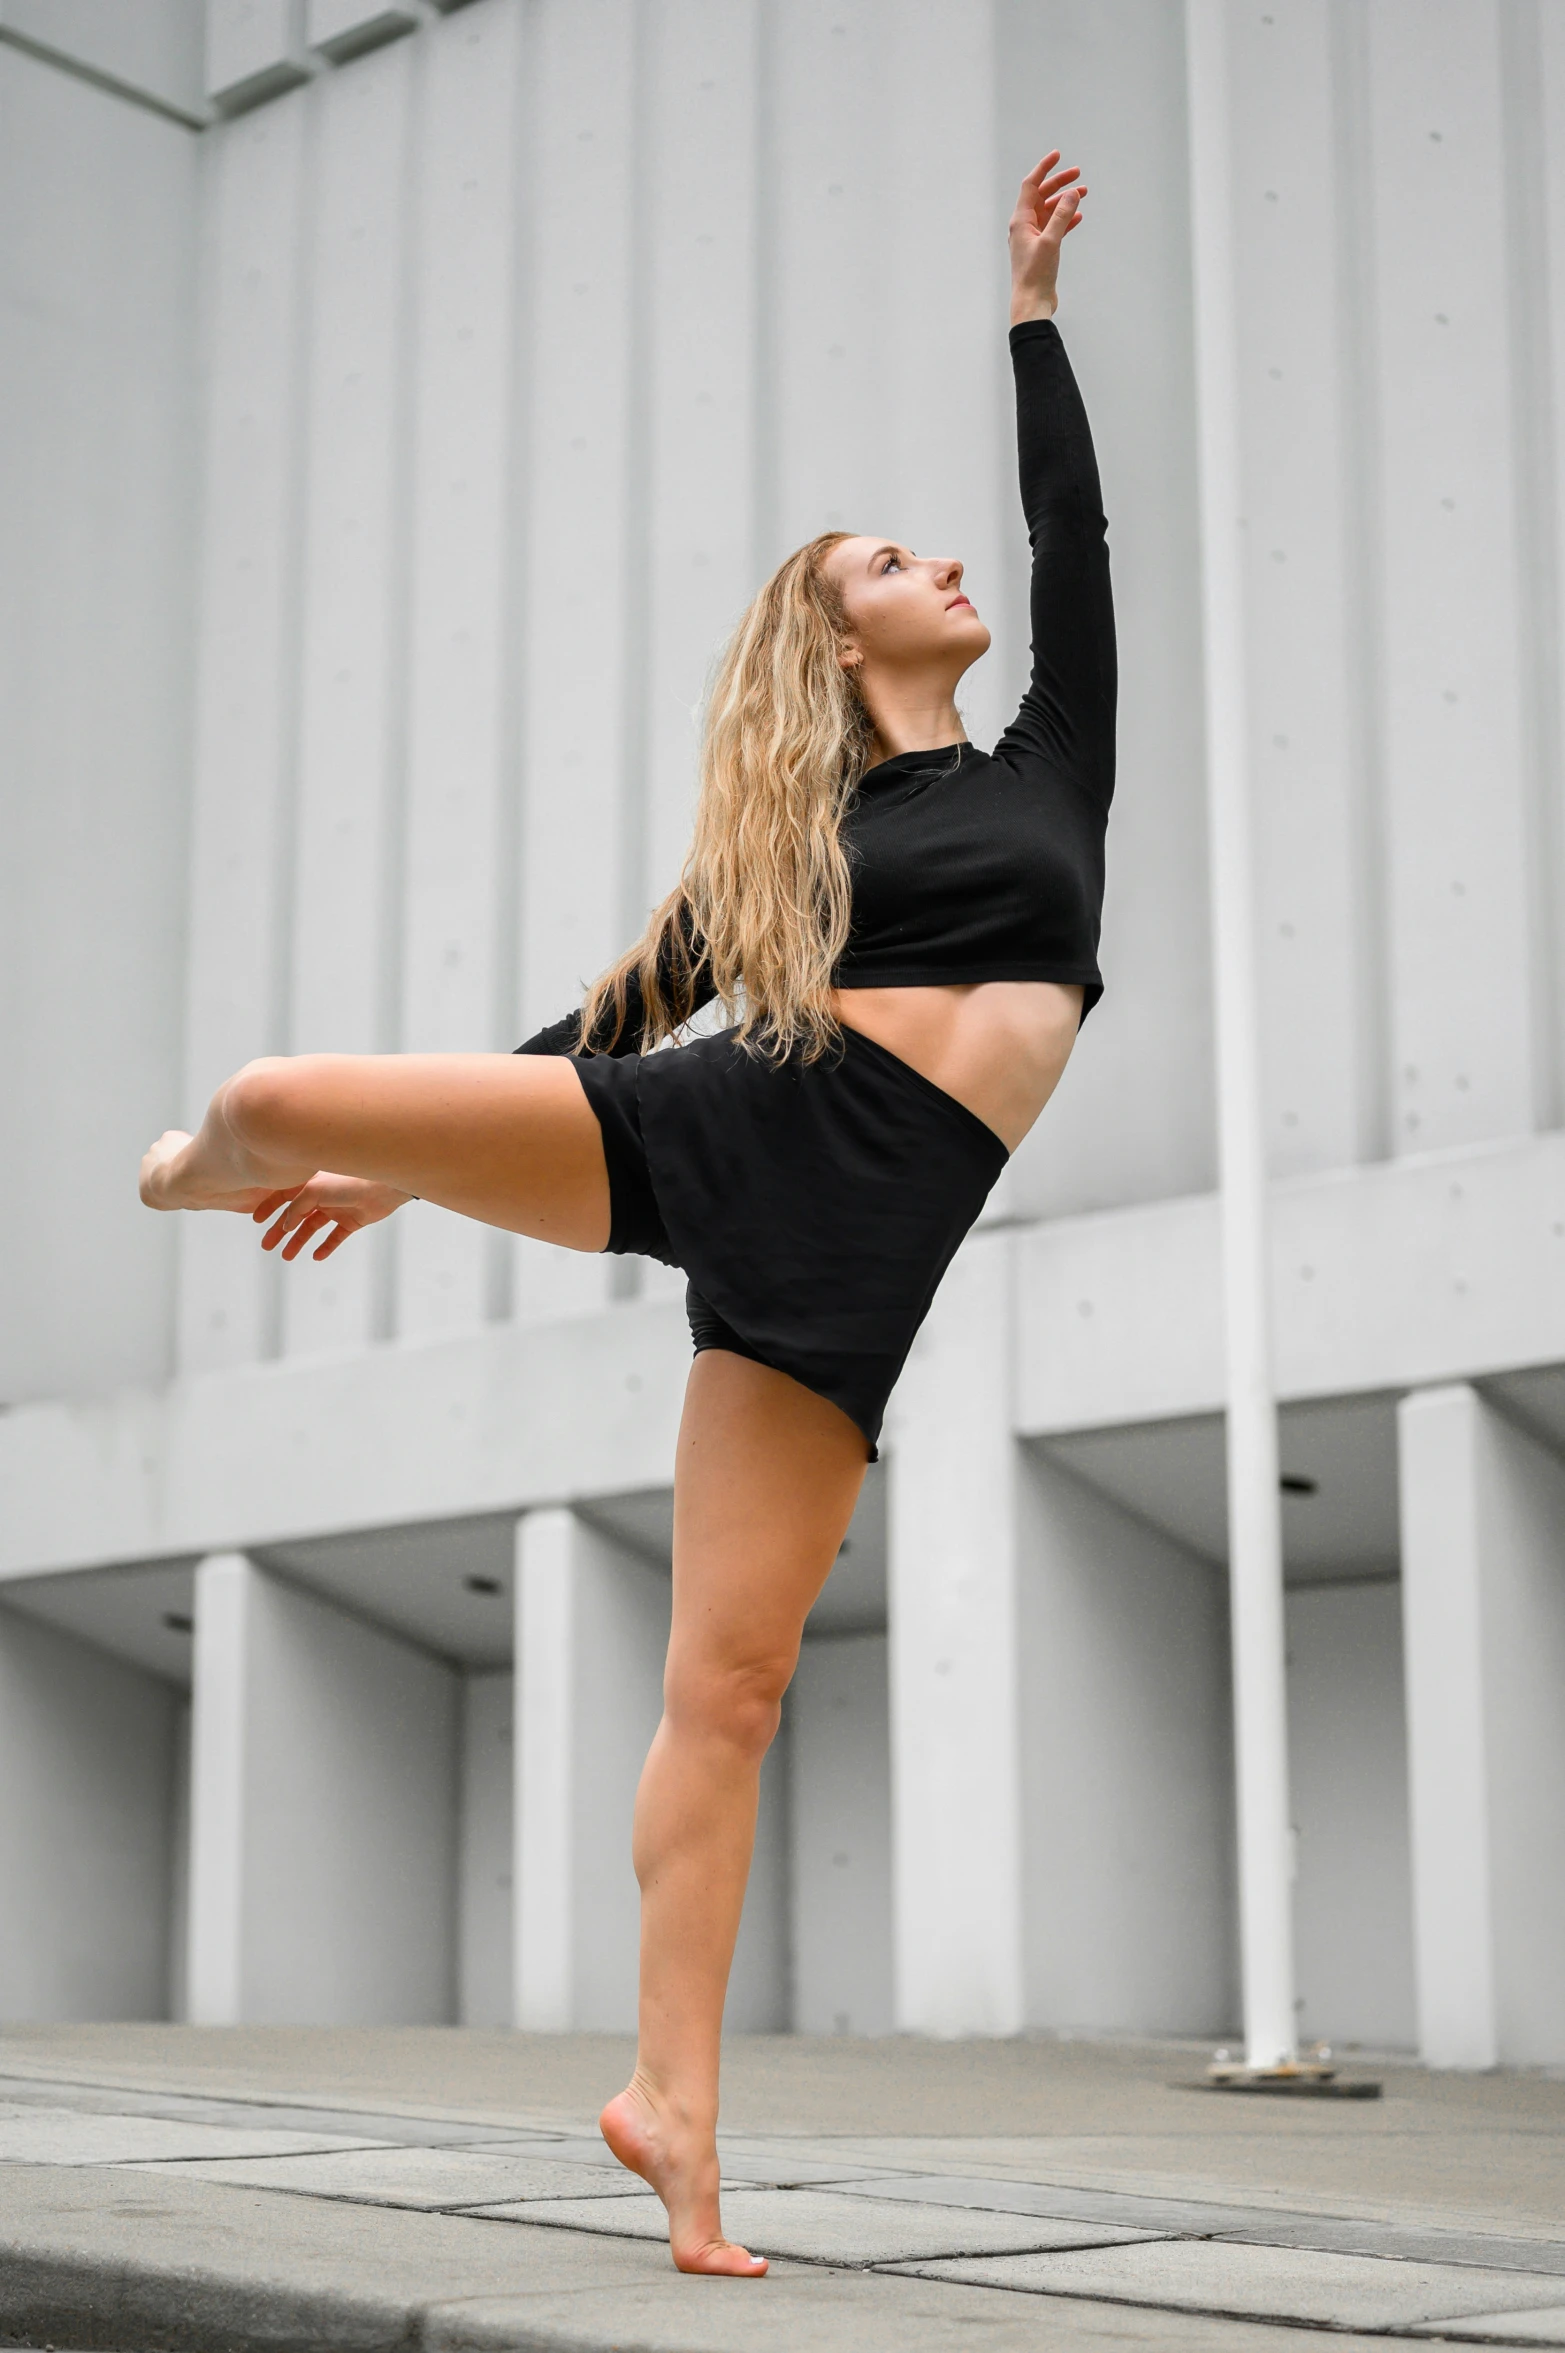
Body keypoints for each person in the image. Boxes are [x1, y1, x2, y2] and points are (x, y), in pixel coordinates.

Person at [140, 150, 1113, 2277]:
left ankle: (670, 2111)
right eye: (884, 554)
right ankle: (207, 1159)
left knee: (731, 1685)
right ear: (827, 626)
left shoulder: (1051, 761)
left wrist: (1027, 306)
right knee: (279, 1096)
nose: (938, 560)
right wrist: (407, 1171)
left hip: (868, 1259)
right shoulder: (792, 853)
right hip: (756, 1132)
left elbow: (1069, 533)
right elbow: (604, 1024)